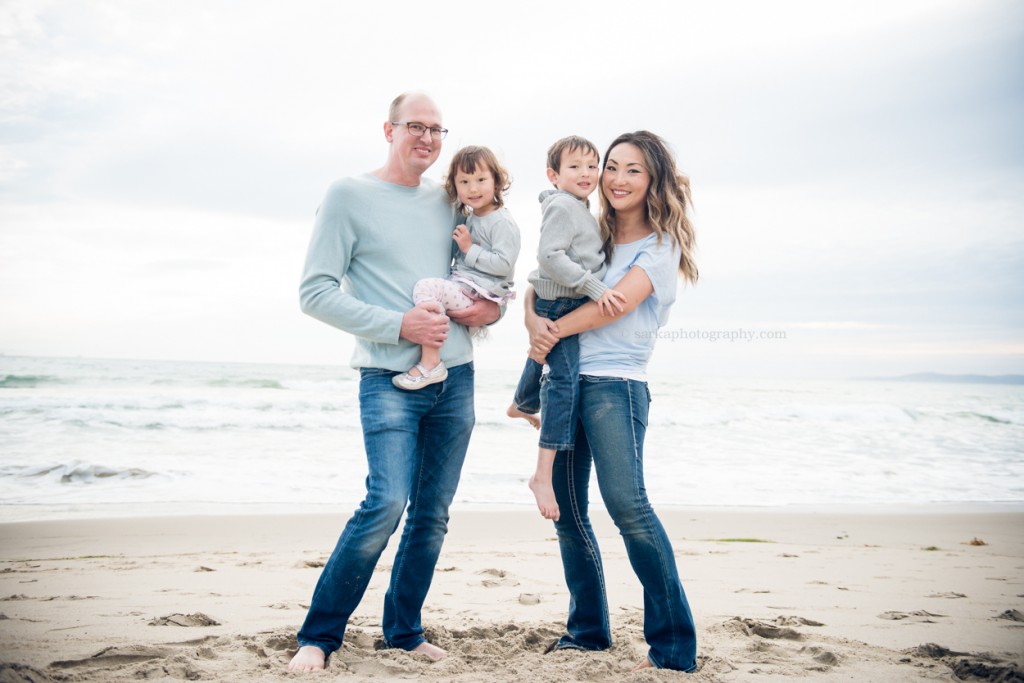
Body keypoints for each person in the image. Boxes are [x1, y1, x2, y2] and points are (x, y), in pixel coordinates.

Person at [288, 92, 500, 673]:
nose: (428, 139)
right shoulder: (348, 195)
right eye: (416, 126)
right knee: (386, 501)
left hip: (455, 377)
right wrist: (397, 323)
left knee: (432, 512)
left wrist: (492, 312)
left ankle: (403, 633)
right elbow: (315, 293)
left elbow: (478, 278)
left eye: (437, 129)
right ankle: (320, 635)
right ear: (388, 130)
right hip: (387, 376)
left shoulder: (452, 200)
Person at [524, 131, 699, 672]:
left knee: (628, 506)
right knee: (569, 512)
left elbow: (613, 308)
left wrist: (549, 333)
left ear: (653, 183)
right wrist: (533, 320)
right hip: (566, 379)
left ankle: (673, 646)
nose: (618, 179)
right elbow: (542, 278)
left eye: (633, 171)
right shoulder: (590, 232)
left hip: (615, 386)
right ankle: (587, 631)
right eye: (612, 167)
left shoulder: (660, 246)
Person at [506, 135, 626, 522]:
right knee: (563, 385)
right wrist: (595, 286)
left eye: (592, 166)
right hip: (563, 301)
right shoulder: (563, 206)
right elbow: (549, 255)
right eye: (575, 167)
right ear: (553, 175)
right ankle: (541, 475)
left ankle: (522, 403)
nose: (587, 174)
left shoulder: (577, 206)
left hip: (561, 300)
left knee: (548, 361)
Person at [393, 145, 521, 390]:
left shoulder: (502, 222)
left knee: (427, 288)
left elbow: (505, 264)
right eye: (464, 181)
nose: (473, 188)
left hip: (477, 292)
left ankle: (431, 362)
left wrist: (469, 249)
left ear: (496, 181)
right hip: (468, 286)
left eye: (481, 179)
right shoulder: (472, 216)